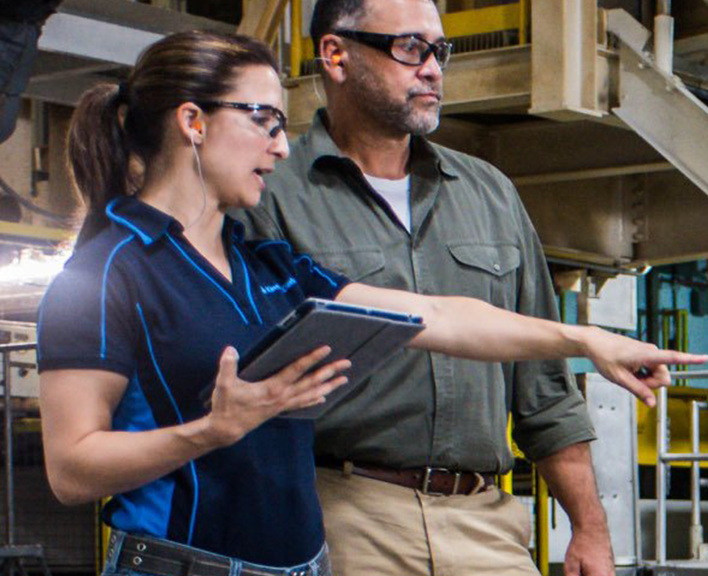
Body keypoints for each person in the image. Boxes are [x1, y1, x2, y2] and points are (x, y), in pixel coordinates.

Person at [35, 30, 705, 576]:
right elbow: (71, 470)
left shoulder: (267, 267)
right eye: (264, 121)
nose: (281, 146)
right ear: (193, 123)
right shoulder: (104, 274)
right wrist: (211, 431)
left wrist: (584, 340)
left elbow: (436, 316)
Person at [235, 0, 631, 573]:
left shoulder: (488, 193)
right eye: (409, 48)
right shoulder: (272, 193)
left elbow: (544, 391)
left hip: (485, 521)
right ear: (336, 55)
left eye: (439, 51)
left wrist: (589, 528)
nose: (432, 70)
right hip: (345, 515)